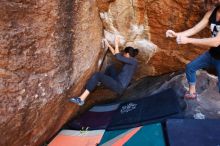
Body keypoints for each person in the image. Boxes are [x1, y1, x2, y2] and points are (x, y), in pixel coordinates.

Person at [166, 0, 220, 99]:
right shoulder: (211, 13)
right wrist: (176, 34)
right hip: (212, 54)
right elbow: (195, 29)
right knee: (190, 68)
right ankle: (192, 93)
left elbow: (216, 41)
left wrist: (188, 40)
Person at [69, 36, 139, 106]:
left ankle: (81, 99)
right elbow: (116, 54)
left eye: (123, 54)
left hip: (119, 86)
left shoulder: (133, 62)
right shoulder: (130, 61)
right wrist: (108, 44)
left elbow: (118, 56)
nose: (122, 55)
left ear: (127, 54)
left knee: (97, 75)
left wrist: (116, 43)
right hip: (117, 81)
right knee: (111, 67)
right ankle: (98, 83)